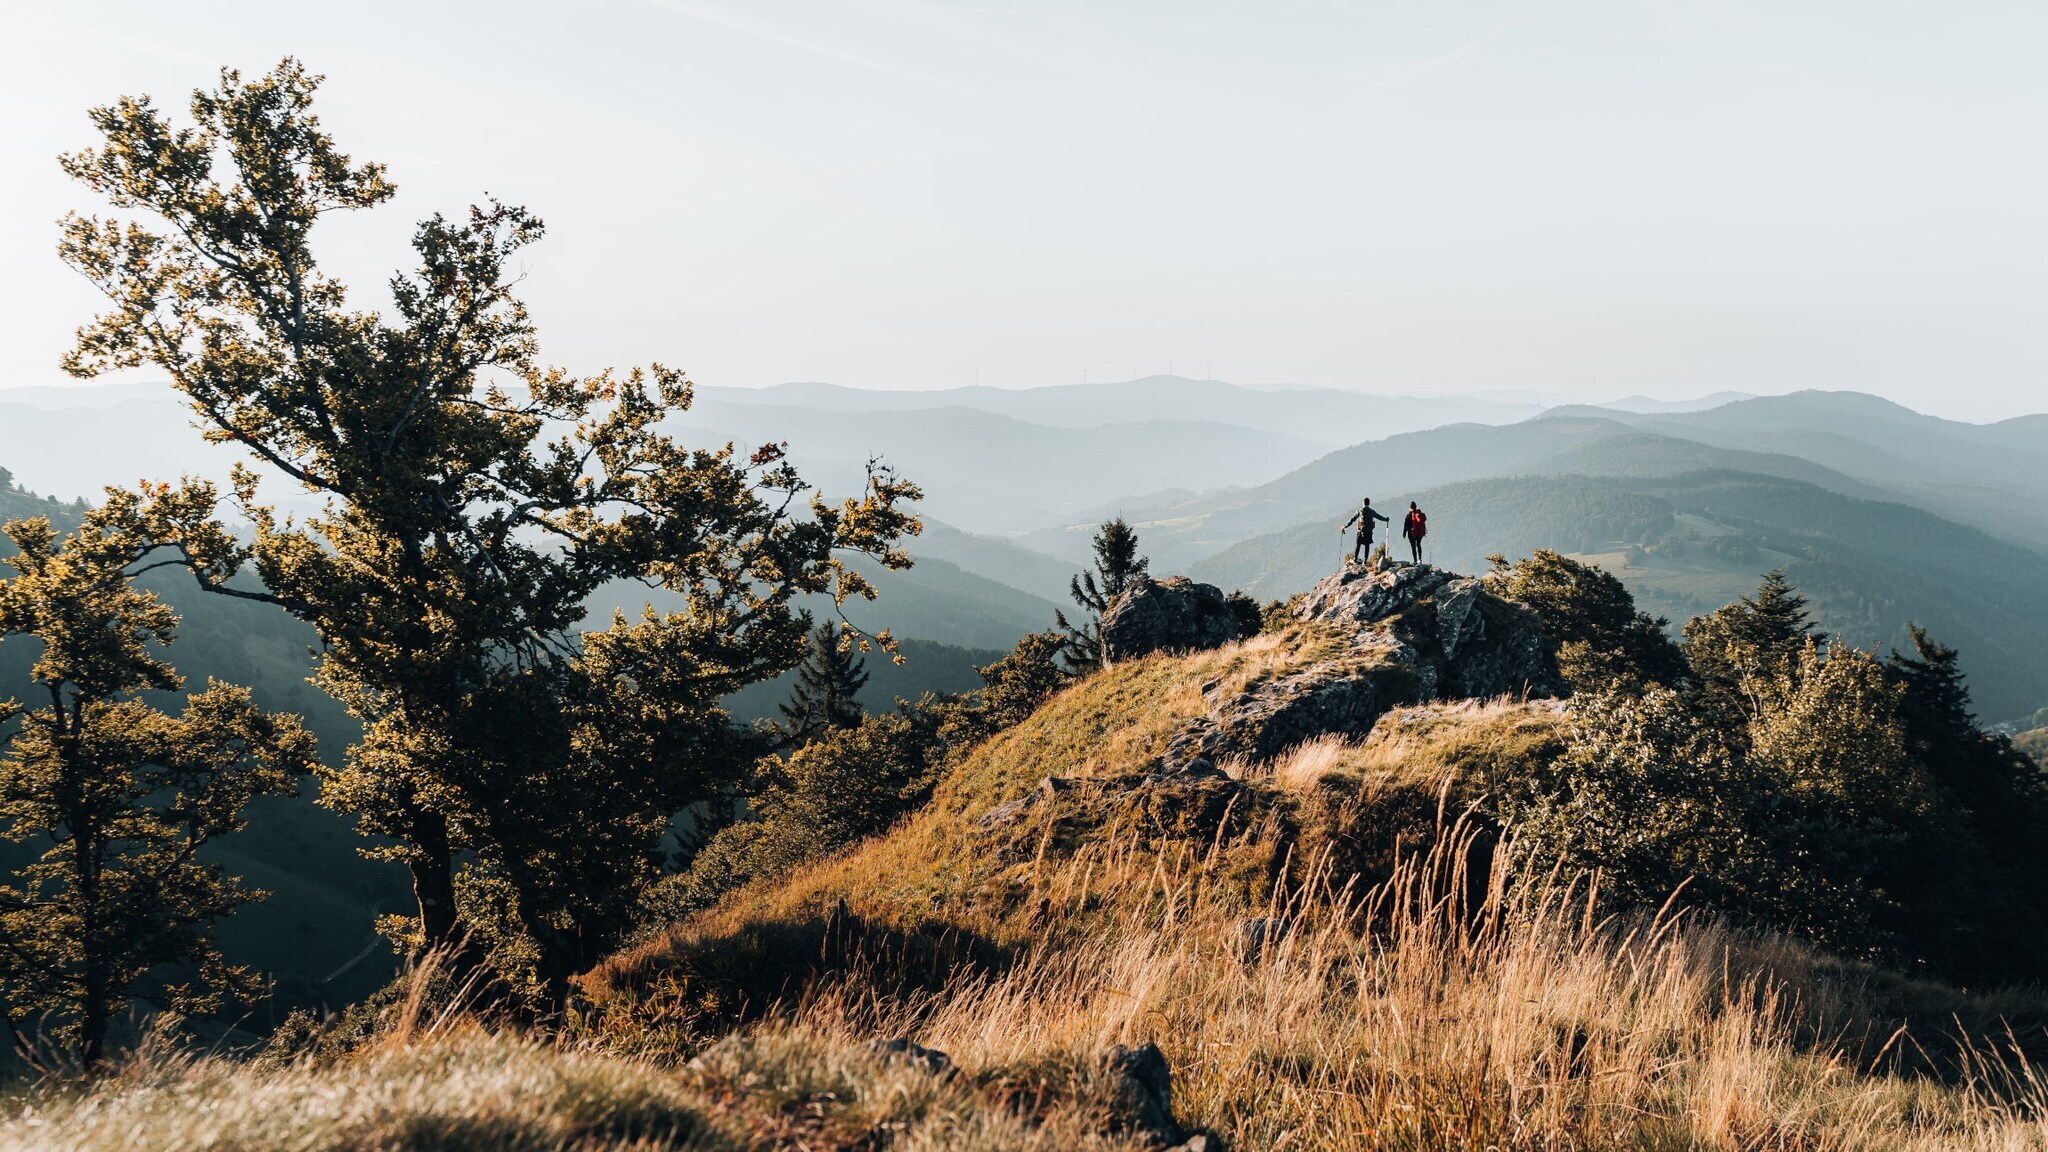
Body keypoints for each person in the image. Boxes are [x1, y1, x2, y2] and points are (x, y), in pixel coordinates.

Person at [1340, 497, 1389, 565]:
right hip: (1369, 532)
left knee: (1358, 545)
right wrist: (1386, 519)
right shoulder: (1372, 511)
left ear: (1363, 503)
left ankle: (1355, 559)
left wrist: (1345, 526)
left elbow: (1352, 520)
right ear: (1369, 503)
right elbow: (1379, 517)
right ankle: (1365, 561)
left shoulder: (1359, 511)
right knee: (1367, 546)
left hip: (1360, 531)